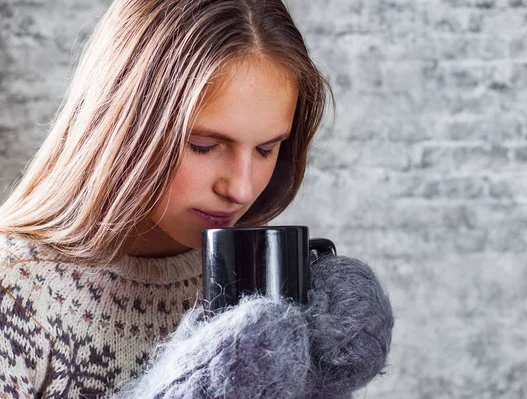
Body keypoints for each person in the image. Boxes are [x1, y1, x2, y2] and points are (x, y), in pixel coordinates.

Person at [0, 0, 394, 398]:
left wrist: (319, 382)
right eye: (205, 145)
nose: (240, 189)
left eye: (266, 149)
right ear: (121, 122)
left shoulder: (251, 278)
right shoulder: (14, 293)